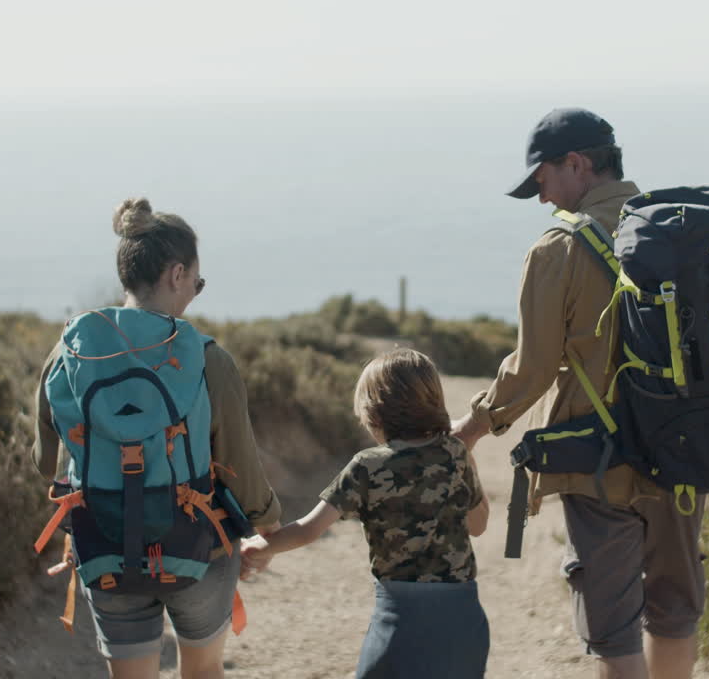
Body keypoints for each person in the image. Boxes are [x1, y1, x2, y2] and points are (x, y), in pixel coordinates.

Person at [451, 108, 709, 679]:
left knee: (613, 628)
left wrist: (468, 431)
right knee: (675, 612)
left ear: (577, 164)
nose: (542, 199)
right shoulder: (681, 230)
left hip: (599, 462)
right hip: (685, 451)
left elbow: (532, 369)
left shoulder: (557, 250)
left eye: (542, 181)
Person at [31, 197, 282, 679]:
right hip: (198, 547)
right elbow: (243, 469)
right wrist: (265, 526)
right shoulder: (209, 358)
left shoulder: (68, 353)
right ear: (177, 273)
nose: (194, 292)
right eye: (197, 283)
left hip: (103, 544)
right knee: (204, 671)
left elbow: (49, 464)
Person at [240, 348, 490, 679]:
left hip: (402, 621)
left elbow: (309, 530)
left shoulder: (368, 466)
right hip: (463, 620)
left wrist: (258, 546)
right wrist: (466, 457)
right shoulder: (455, 454)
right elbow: (478, 525)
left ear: (374, 413)